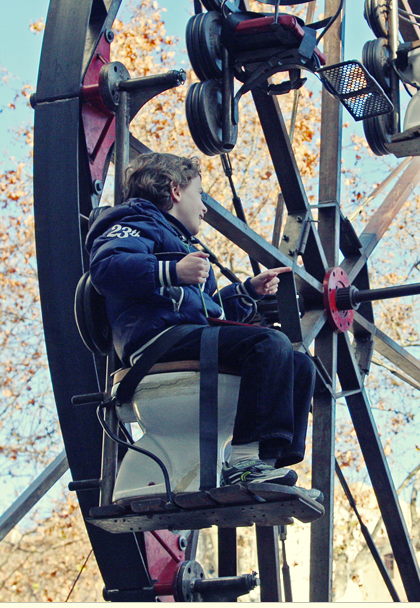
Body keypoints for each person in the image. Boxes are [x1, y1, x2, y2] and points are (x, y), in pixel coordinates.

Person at [87, 152, 316, 488]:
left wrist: (249, 291)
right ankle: (244, 462)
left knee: (299, 364)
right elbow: (106, 269)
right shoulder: (134, 222)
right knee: (270, 344)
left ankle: (264, 464)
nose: (204, 208)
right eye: (200, 195)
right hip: (157, 343)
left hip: (184, 335)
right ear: (176, 191)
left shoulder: (179, 242)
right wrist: (172, 270)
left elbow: (208, 315)